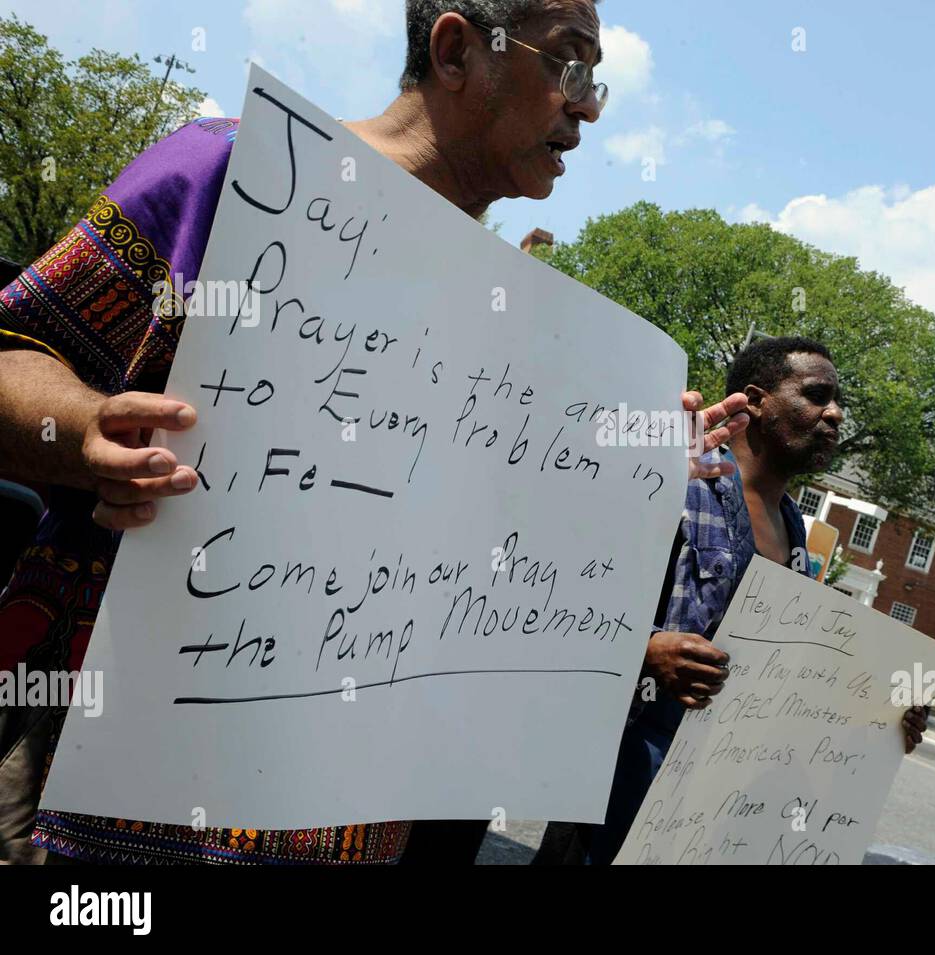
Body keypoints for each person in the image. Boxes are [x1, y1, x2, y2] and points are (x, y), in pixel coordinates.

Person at [0, 0, 748, 865]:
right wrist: (85, 431)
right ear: (458, 49)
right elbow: (18, 352)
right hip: (107, 812)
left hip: (352, 831)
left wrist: (629, 472)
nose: (587, 107)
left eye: (596, 81)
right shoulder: (231, 169)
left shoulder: (509, 317)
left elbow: (490, 579)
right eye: (569, 66)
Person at [534, 336, 929, 864]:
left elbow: (789, 675)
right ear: (756, 399)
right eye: (816, 395)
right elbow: (563, 600)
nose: (834, 413)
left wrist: (881, 715)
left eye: (838, 402)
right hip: (624, 775)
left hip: (714, 798)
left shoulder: (797, 534)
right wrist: (647, 651)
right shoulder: (675, 480)